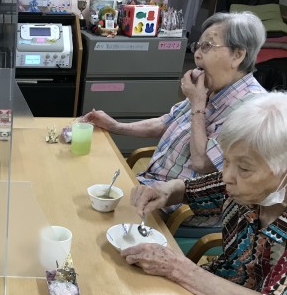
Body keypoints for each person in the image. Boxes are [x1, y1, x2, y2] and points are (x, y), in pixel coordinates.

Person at [123, 92, 287, 295]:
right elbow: (188, 189)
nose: (228, 176)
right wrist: (163, 191)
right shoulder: (244, 185)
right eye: (226, 161)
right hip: (212, 292)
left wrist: (179, 268)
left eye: (243, 168)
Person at [82, 11, 267, 220]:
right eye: (198, 46)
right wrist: (116, 126)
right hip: (150, 185)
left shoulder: (254, 110)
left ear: (237, 55)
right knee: (83, 184)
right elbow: (166, 122)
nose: (197, 55)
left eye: (207, 46)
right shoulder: (210, 87)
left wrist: (197, 104)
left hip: (176, 208)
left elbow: (202, 162)